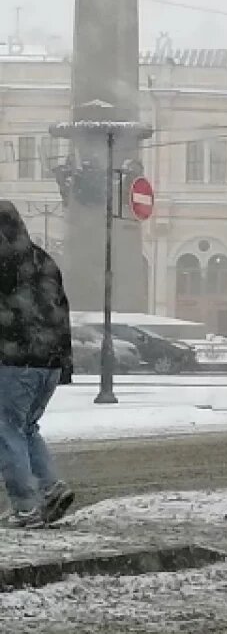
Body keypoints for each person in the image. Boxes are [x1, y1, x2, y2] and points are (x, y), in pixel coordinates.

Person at [0, 202, 75, 528]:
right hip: (48, 363)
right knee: (27, 428)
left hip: (15, 361)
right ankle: (49, 489)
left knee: (6, 430)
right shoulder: (42, 259)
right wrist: (63, 364)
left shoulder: (4, 262)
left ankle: (26, 507)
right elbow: (62, 309)